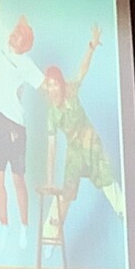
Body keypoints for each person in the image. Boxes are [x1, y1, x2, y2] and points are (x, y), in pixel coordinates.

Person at [42, 24, 124, 250]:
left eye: (55, 84)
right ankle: (50, 235)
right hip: (75, 153)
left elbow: (82, 69)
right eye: (49, 85)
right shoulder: (52, 114)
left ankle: (125, 214)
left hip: (92, 144)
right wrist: (49, 179)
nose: (53, 89)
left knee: (107, 179)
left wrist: (91, 46)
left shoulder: (71, 90)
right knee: (65, 194)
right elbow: (52, 147)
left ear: (61, 85)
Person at [0, 0, 45, 251]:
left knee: (18, 179)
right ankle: (4, 227)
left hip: (15, 126)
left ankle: (24, 228)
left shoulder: (27, 64)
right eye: (14, 30)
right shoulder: (2, 42)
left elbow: (46, 86)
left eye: (19, 34)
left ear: (25, 43)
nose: (13, 34)